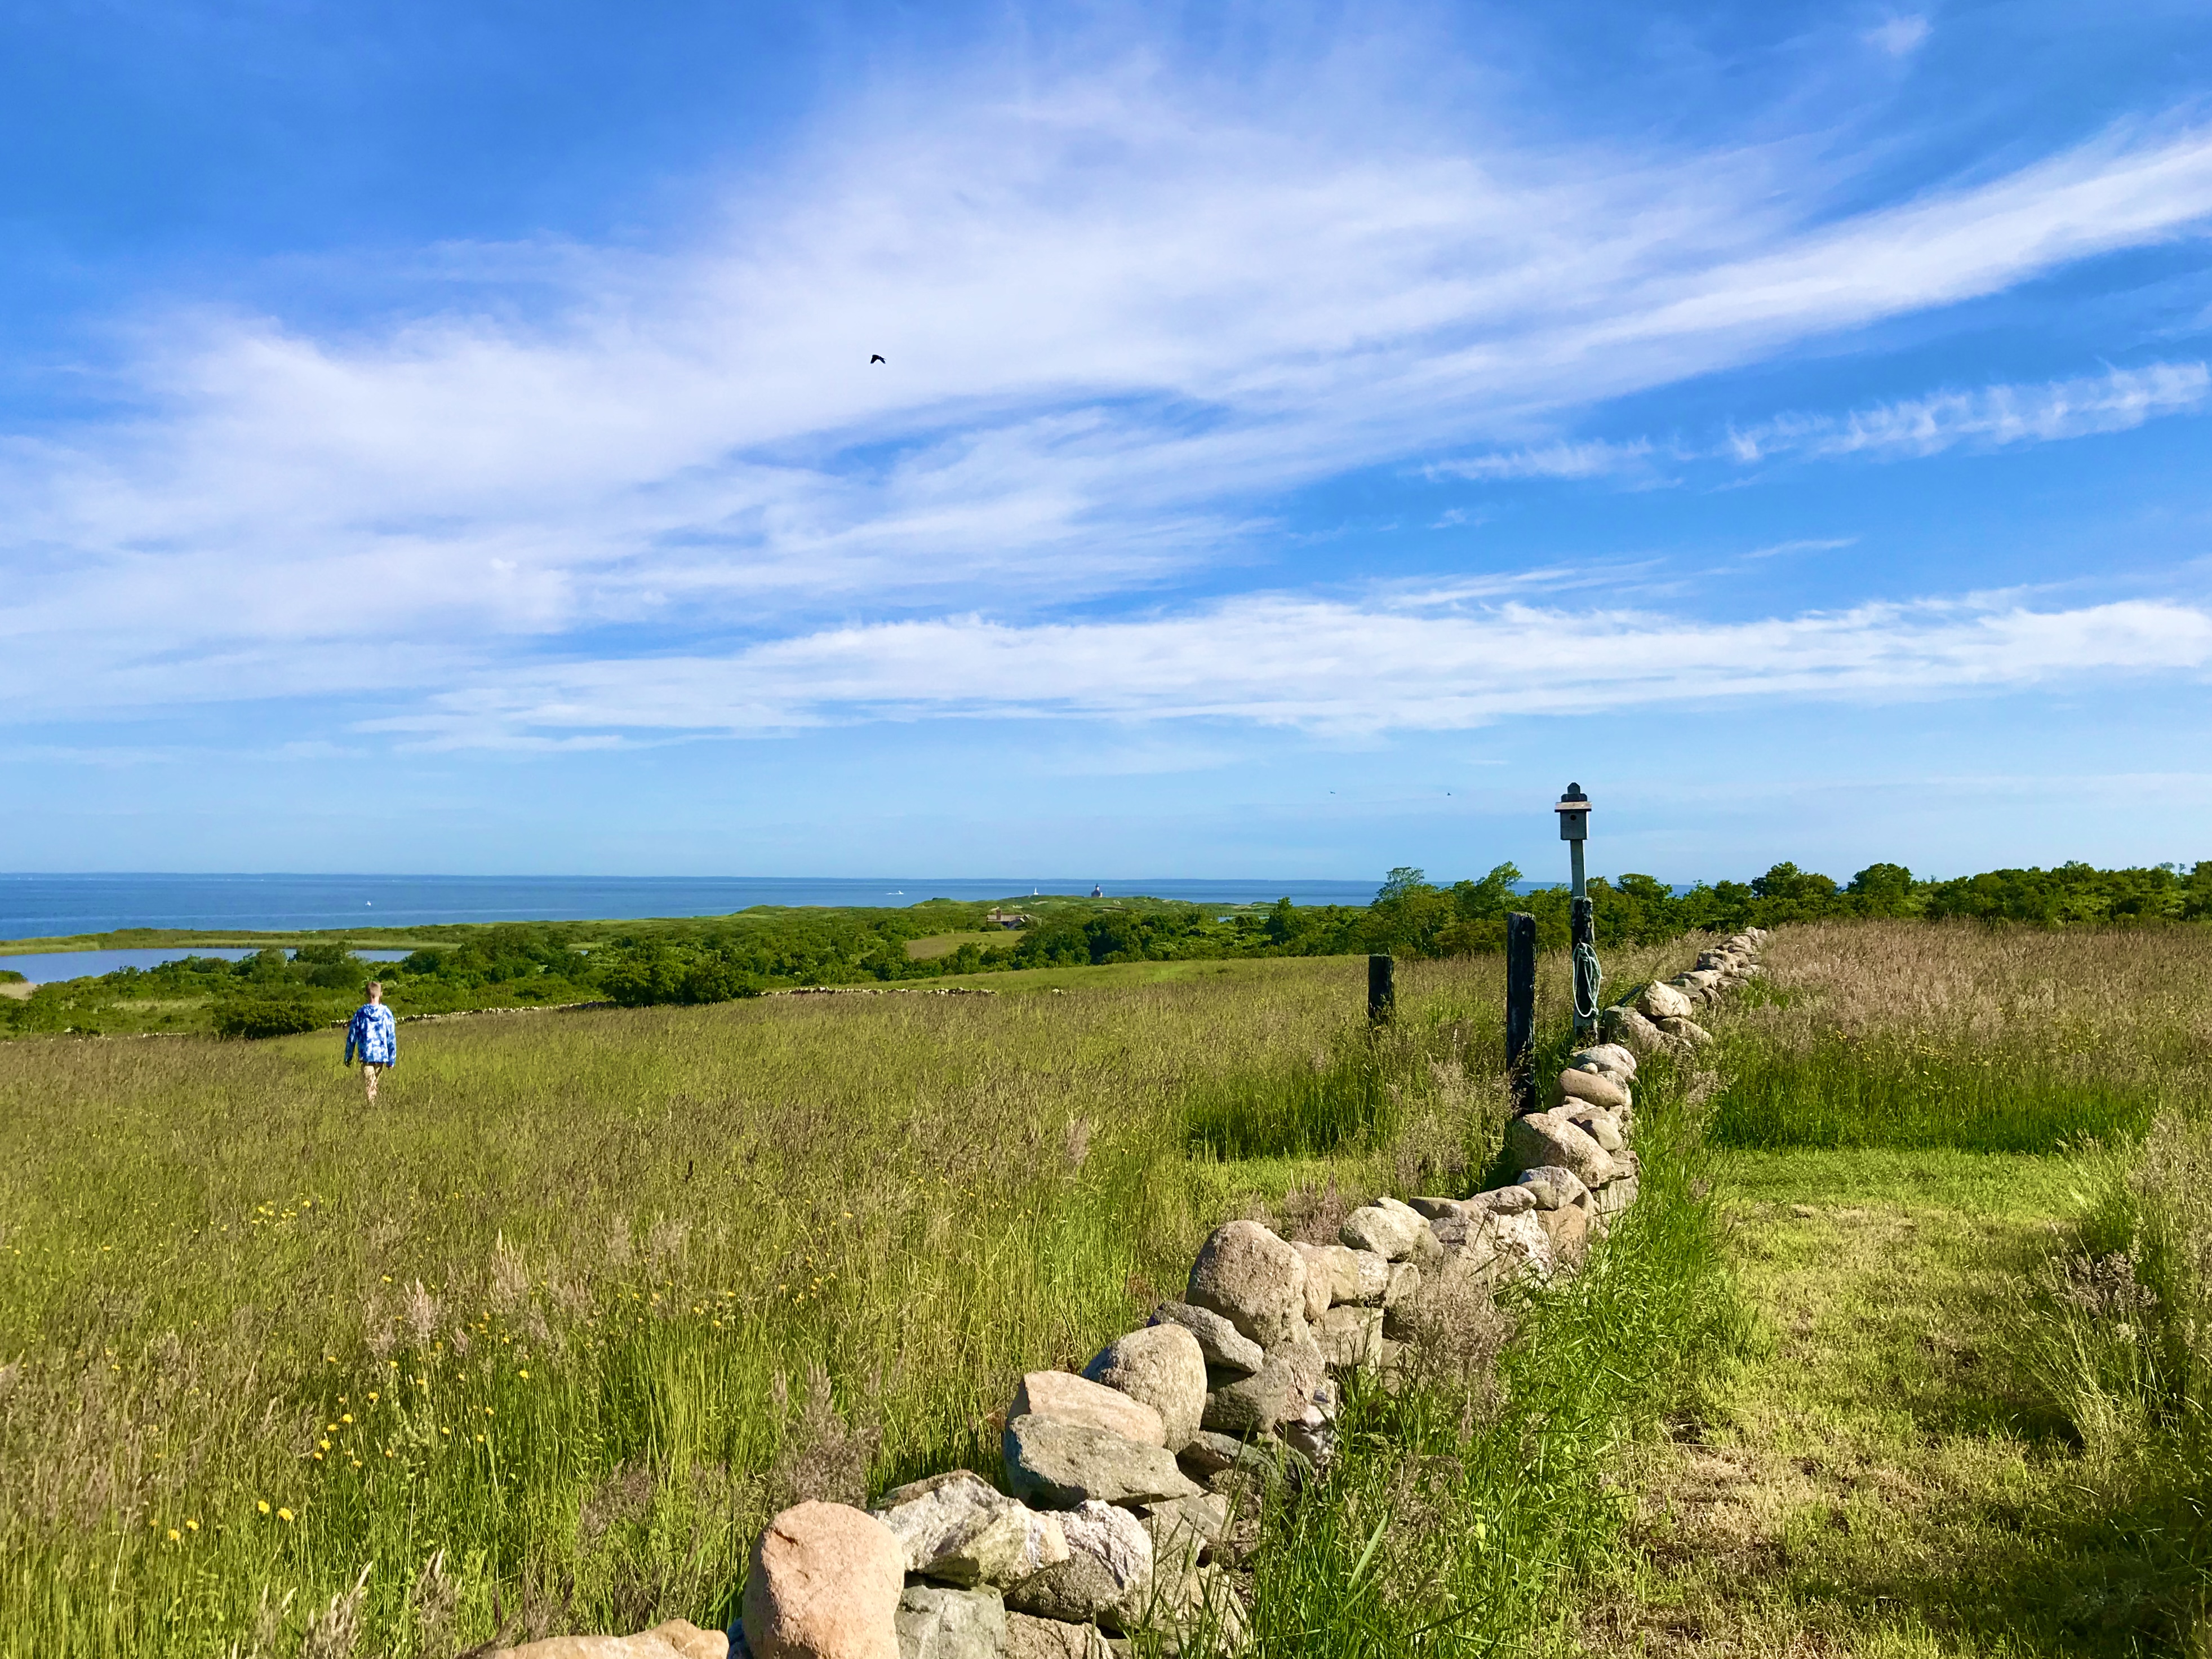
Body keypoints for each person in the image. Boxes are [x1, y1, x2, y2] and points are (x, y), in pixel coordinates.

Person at [345, 980, 398, 1102]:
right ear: (381, 994)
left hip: (366, 1054)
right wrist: (392, 1058)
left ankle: (371, 1107)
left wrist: (349, 1056)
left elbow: (352, 1036)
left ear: (367, 994)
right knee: (373, 1083)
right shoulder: (387, 1013)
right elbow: (391, 1037)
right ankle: (373, 1106)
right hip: (381, 1055)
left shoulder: (361, 1013)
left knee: (370, 1084)